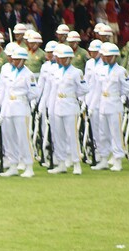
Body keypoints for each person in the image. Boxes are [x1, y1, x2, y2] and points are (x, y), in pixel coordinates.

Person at [0, 46, 38, 177]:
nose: (14, 61)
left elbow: (34, 92)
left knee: (24, 138)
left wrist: (22, 99)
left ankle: (28, 166)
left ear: (23, 60)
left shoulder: (28, 74)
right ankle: (13, 165)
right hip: (7, 108)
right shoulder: (6, 69)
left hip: (21, 108)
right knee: (8, 138)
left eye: (17, 59)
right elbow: (2, 89)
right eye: (13, 58)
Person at [89, 42, 129, 171]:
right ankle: (103, 159)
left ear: (115, 56)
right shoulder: (100, 70)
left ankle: (118, 159)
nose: (106, 58)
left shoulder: (120, 71)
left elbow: (128, 87)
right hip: (102, 104)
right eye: (104, 56)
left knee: (116, 133)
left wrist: (119, 95)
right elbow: (97, 90)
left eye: (109, 56)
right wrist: (92, 106)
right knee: (103, 133)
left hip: (114, 104)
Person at [46, 44, 89, 174]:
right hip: (58, 106)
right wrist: (50, 108)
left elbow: (85, 89)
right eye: (59, 58)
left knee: (72, 136)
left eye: (63, 58)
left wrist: (73, 95)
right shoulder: (56, 72)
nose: (60, 60)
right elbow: (53, 91)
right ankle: (61, 163)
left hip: (70, 106)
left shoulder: (76, 72)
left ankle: (76, 163)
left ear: (69, 59)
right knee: (58, 136)